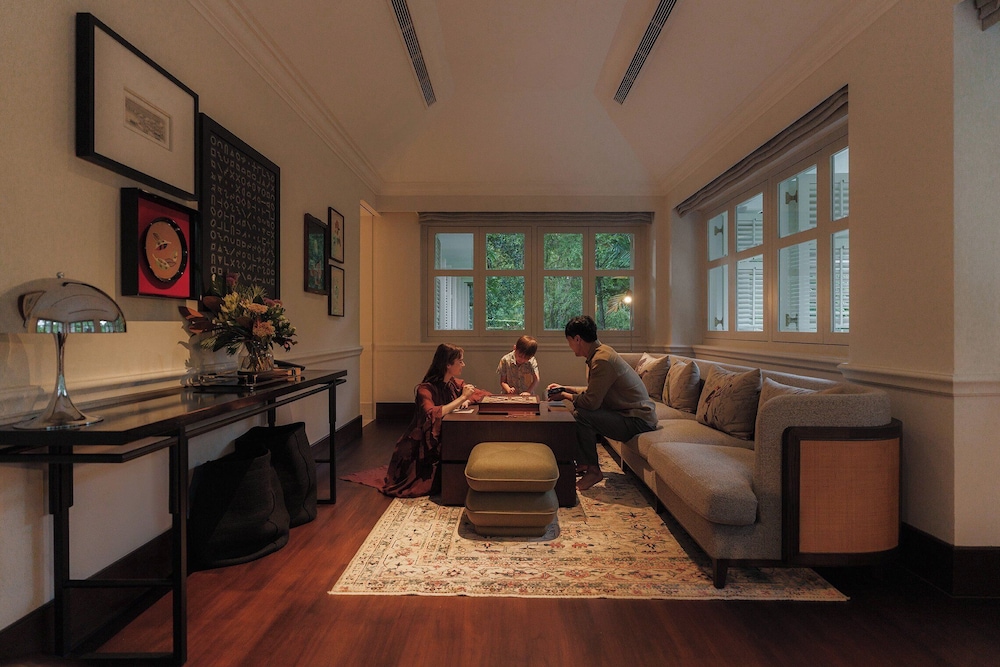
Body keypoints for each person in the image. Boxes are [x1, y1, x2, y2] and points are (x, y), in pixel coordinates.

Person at [547, 316, 657, 491]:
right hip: (628, 414)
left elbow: (591, 403)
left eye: (569, 341)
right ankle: (584, 463)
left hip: (637, 420)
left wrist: (565, 395)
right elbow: (594, 392)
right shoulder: (601, 353)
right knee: (580, 411)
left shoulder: (601, 360)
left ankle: (593, 471)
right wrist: (565, 388)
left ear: (577, 339)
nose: (569, 346)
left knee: (582, 415)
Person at [382, 343, 484, 497]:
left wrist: (467, 400)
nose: (463, 364)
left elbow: (480, 394)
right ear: (448, 364)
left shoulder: (453, 384)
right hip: (421, 445)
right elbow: (431, 413)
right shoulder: (425, 389)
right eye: (460, 361)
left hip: (444, 437)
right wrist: (462, 398)